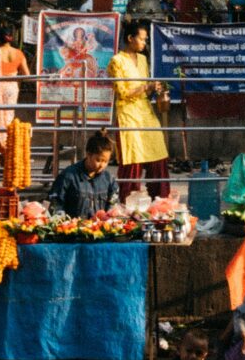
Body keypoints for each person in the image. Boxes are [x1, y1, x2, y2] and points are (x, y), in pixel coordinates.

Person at [108, 22, 170, 194]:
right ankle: (128, 199)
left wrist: (154, 89)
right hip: (127, 112)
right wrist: (145, 87)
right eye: (142, 39)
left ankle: (160, 198)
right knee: (133, 157)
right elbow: (122, 92)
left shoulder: (143, 60)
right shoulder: (116, 61)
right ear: (130, 38)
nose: (144, 43)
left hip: (145, 110)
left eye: (146, 40)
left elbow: (145, 87)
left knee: (158, 151)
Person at [49, 131, 120, 219]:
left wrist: (110, 215)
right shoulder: (68, 176)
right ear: (88, 154)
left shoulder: (109, 179)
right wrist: (63, 221)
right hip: (73, 229)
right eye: (98, 160)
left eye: (106, 161)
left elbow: (113, 203)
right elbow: (56, 203)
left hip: (100, 229)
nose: (102, 165)